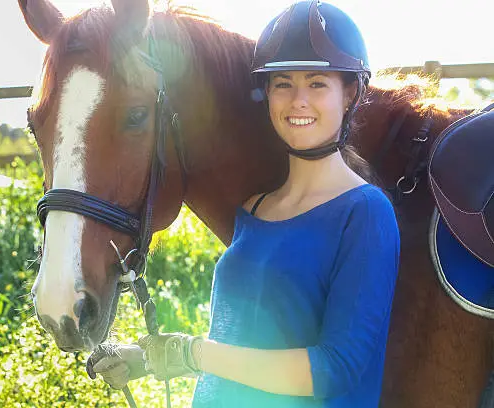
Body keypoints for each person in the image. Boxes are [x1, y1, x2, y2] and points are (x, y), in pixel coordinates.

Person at [88, 1, 400, 407]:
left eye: (317, 83)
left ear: (350, 93)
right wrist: (149, 359)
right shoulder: (253, 210)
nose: (297, 100)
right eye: (283, 83)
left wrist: (192, 351)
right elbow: (244, 339)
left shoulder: (366, 213)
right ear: (267, 94)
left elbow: (335, 368)